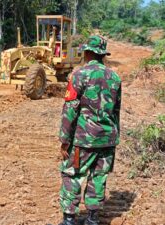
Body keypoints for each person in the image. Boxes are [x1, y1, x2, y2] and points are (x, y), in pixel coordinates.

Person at [57, 35, 121, 225]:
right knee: (98, 177)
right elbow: (116, 110)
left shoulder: (79, 75)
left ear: (87, 52)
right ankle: (92, 220)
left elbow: (70, 109)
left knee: (72, 174)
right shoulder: (115, 77)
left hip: (84, 139)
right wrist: (114, 136)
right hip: (108, 138)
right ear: (102, 54)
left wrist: (64, 139)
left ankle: (69, 220)